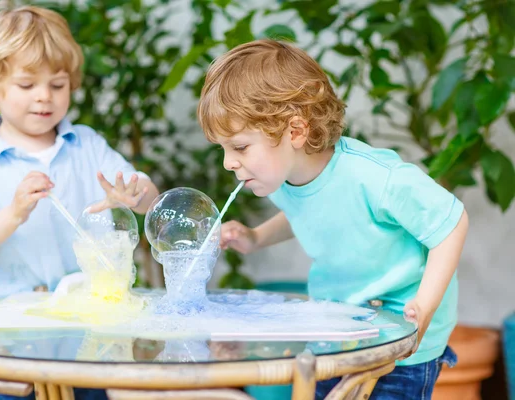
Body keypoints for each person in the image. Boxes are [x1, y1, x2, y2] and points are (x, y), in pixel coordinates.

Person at [197, 39, 468, 399]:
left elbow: (451, 223)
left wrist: (426, 303)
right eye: (224, 149)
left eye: (240, 147)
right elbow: (306, 211)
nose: (228, 162)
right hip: (339, 330)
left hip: (403, 340)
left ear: (295, 131)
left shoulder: (374, 178)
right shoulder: (285, 178)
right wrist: (257, 237)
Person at [0, 2, 158, 301]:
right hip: (11, 324)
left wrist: (134, 195)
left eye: (57, 85)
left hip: (92, 312)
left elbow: (149, 197)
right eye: (27, 84)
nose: (44, 96)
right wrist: (14, 214)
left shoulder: (88, 146)